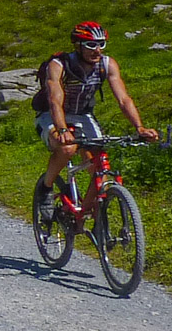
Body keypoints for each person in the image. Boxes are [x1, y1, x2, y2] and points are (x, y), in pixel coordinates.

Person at [33, 21, 159, 220]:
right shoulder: (59, 65)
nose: (97, 50)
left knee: (98, 164)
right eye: (91, 45)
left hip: (83, 115)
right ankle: (46, 187)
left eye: (101, 44)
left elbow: (123, 99)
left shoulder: (107, 64)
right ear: (78, 45)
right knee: (67, 148)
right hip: (52, 114)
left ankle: (86, 213)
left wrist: (139, 127)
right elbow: (55, 100)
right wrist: (62, 129)